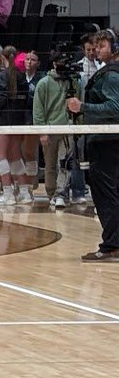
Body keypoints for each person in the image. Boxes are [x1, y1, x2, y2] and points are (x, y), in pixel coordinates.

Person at [68, 55, 119, 262]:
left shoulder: (111, 75)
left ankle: (112, 247)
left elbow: (115, 107)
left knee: (106, 196)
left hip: (106, 142)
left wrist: (82, 107)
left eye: (102, 45)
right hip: (107, 140)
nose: (96, 50)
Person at [32, 52, 75, 210]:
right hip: (49, 130)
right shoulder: (43, 83)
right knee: (50, 165)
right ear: (54, 63)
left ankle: (61, 193)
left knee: (64, 163)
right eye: (61, 62)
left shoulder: (72, 82)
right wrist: (41, 131)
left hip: (67, 130)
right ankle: (51, 193)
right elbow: (38, 110)